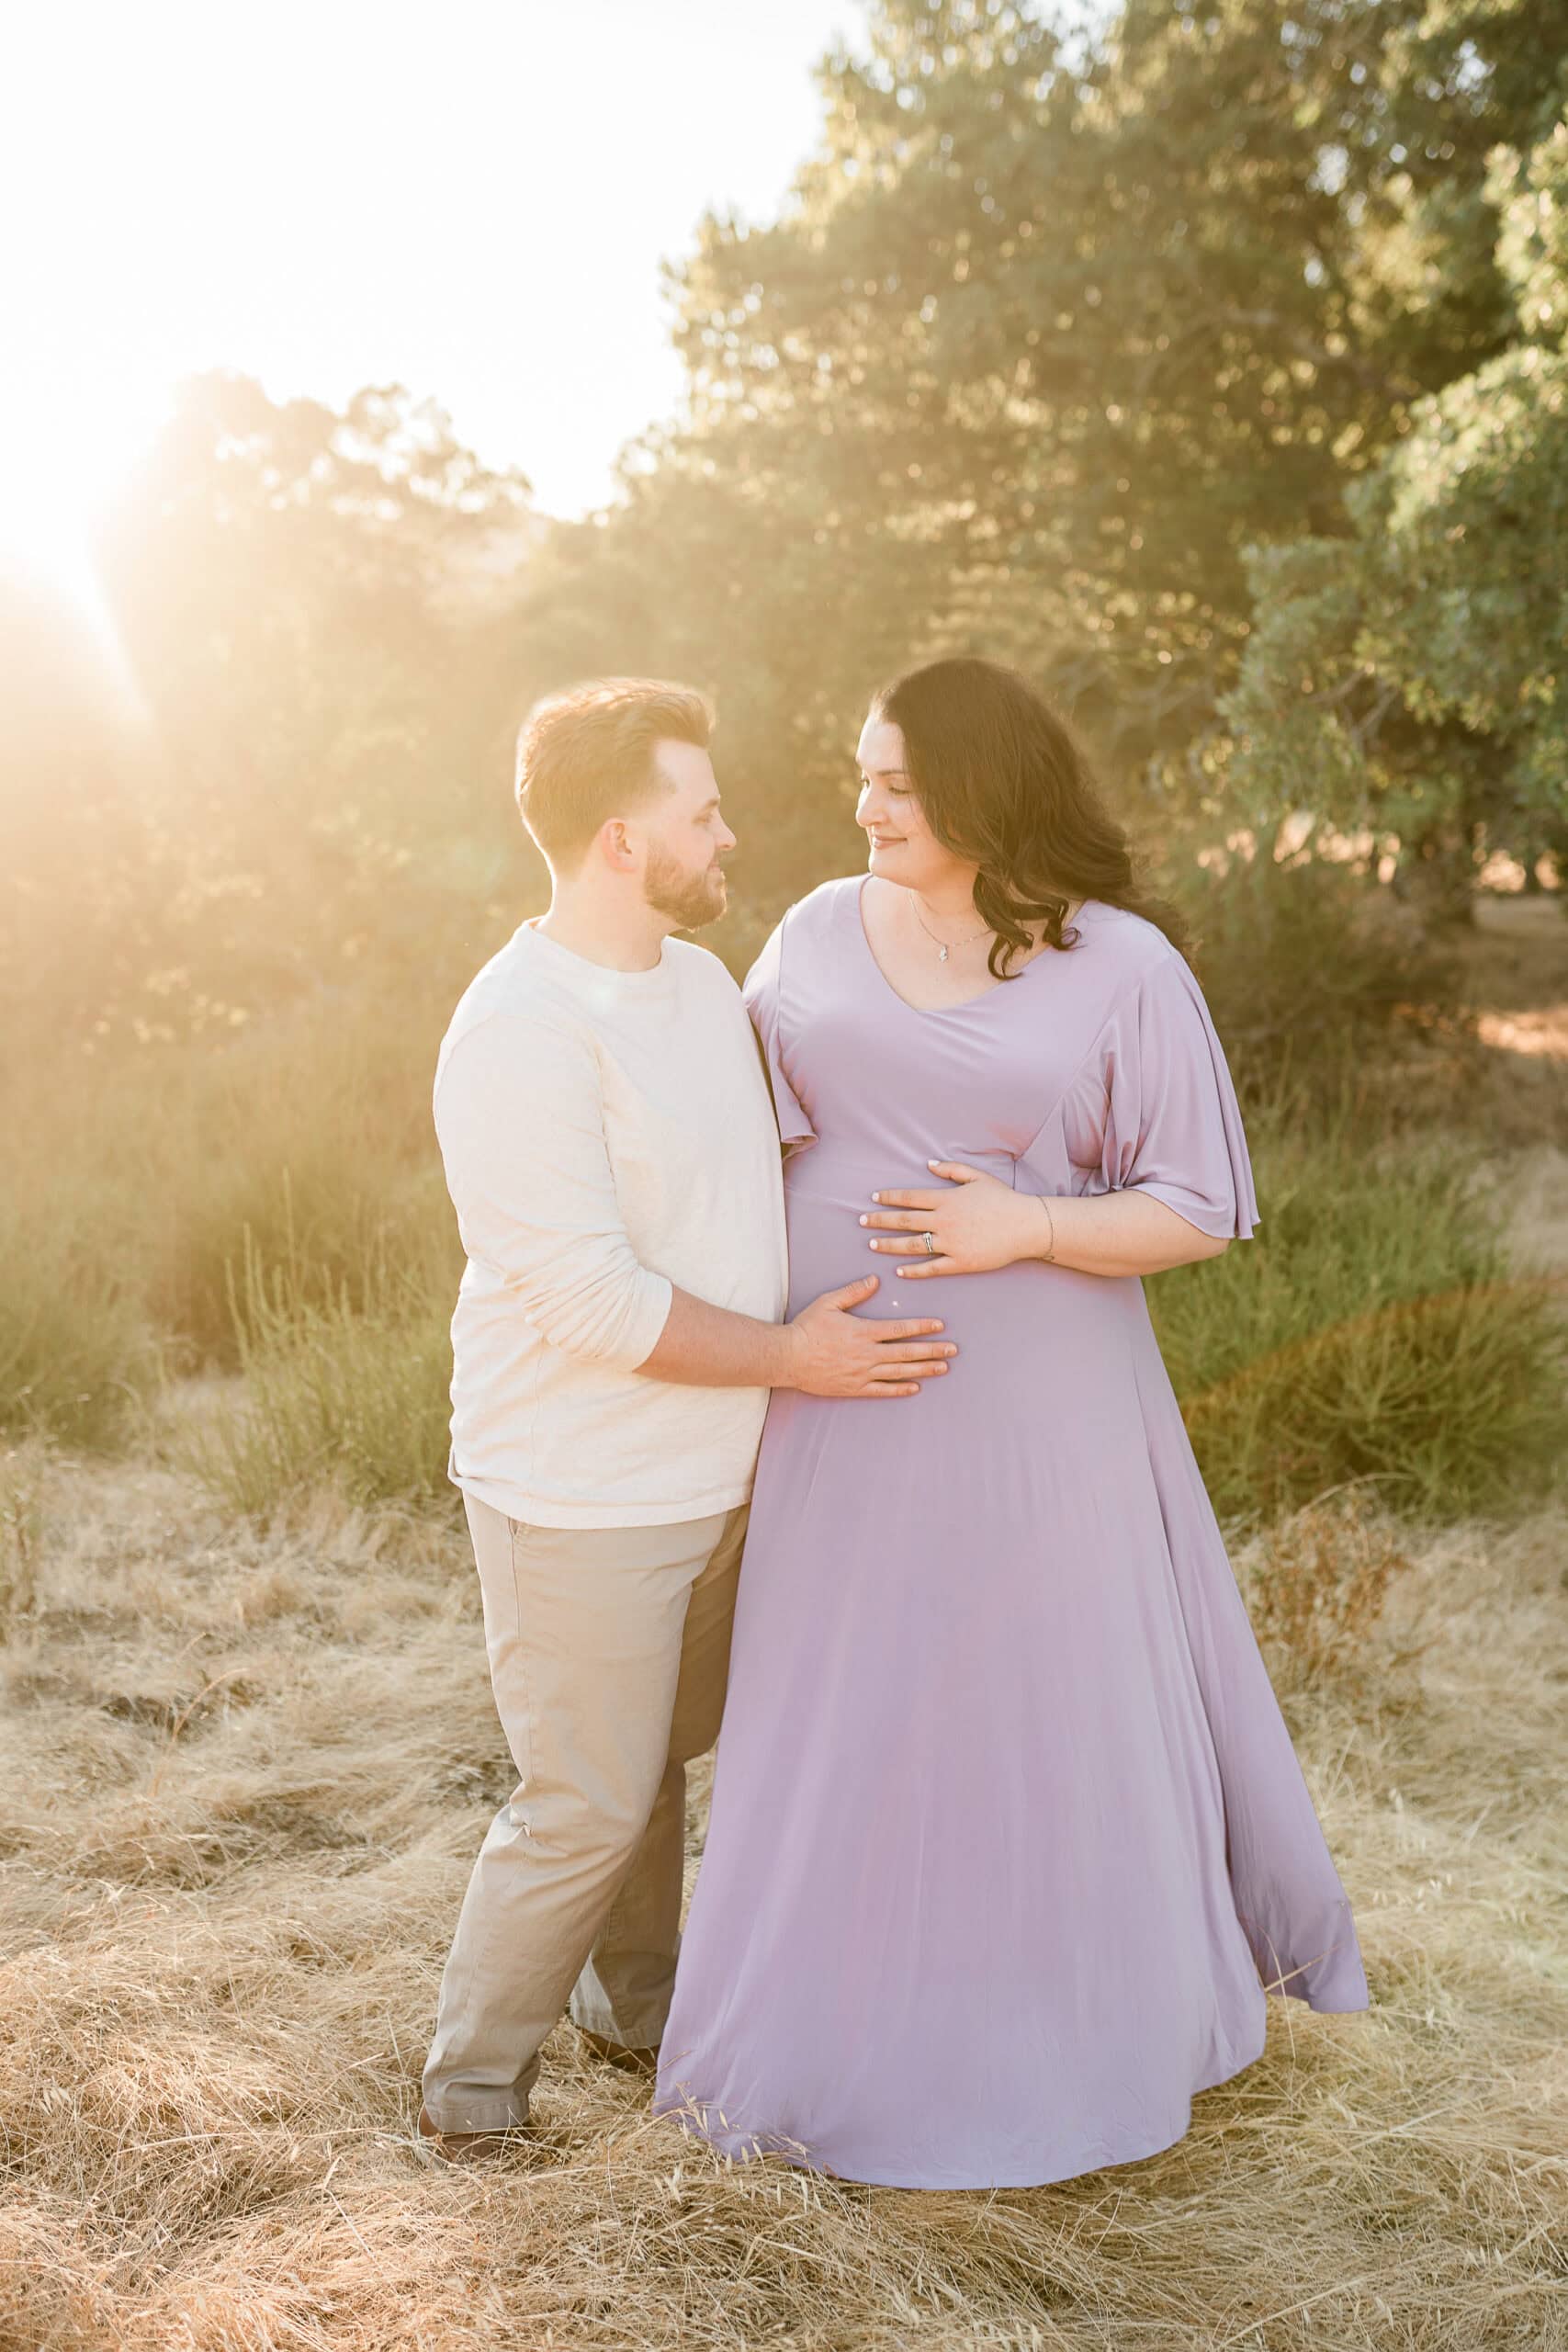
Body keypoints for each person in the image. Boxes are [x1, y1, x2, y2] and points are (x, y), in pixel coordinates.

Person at [651, 655, 1370, 2190]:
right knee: (844, 1707)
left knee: (1040, 1706)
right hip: (840, 1406)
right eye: (862, 777)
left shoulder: (1121, 966)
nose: (865, 807)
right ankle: (821, 2051)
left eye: (898, 786)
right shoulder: (810, 932)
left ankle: (1058, 2051)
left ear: (984, 792)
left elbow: (1197, 1207)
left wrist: (1026, 1226)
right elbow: (724, 1130)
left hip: (1043, 1412)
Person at [418, 676, 956, 2160]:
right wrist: (796, 1360)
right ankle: (471, 2092)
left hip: (722, 1469)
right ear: (619, 840)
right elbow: (590, 1302)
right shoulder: (518, 1031)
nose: (728, 836)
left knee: (655, 1763)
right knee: (586, 1800)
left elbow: (783, 1168)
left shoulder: (704, 986)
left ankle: (639, 2014)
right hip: (578, 1492)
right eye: (701, 814)